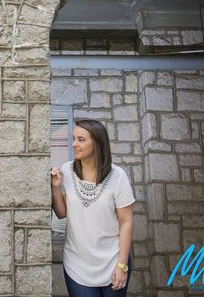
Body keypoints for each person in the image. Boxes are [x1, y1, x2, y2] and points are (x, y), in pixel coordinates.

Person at [51, 119, 135, 297]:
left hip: (113, 261)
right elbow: (61, 213)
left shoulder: (118, 177)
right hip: (77, 264)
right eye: (73, 139)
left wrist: (122, 266)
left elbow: (126, 223)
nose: (74, 144)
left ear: (97, 143)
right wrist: (56, 188)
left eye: (81, 140)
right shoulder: (66, 171)